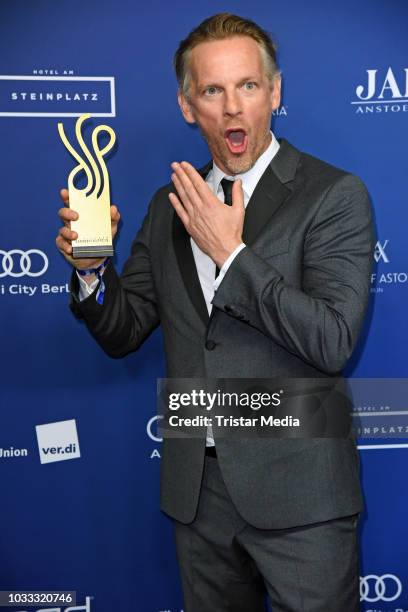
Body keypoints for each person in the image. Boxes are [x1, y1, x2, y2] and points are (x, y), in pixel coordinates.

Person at [56, 13, 374, 612]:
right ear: (186, 105)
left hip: (301, 494)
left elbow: (332, 339)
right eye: (212, 90)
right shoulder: (169, 204)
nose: (233, 108)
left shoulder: (334, 195)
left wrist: (231, 254)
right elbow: (126, 330)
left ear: (275, 93)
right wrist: (92, 271)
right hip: (197, 494)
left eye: (248, 86)